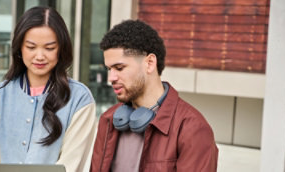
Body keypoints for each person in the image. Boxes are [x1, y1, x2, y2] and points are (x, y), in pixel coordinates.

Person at [0, 6, 97, 172]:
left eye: (49, 48)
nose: (40, 56)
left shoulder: (80, 99)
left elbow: (71, 164)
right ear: (20, 48)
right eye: (31, 47)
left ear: (61, 49)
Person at [90, 20, 218, 172]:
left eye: (119, 68)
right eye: (109, 69)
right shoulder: (108, 120)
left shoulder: (193, 129)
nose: (111, 78)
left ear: (149, 63)